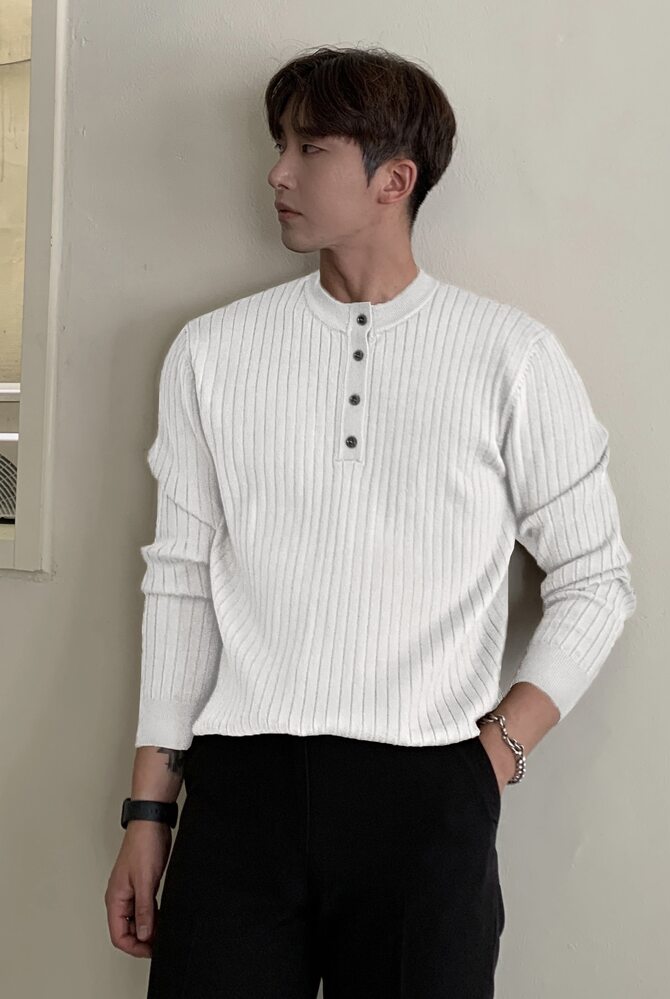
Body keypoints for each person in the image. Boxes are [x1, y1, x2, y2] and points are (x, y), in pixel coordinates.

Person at [105, 44, 636, 998]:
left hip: (427, 795)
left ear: (395, 180)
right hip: (241, 795)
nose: (277, 173)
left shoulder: (509, 357)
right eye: (280, 145)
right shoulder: (211, 353)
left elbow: (596, 578)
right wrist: (150, 812)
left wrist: (494, 756)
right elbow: (179, 579)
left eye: (309, 149)